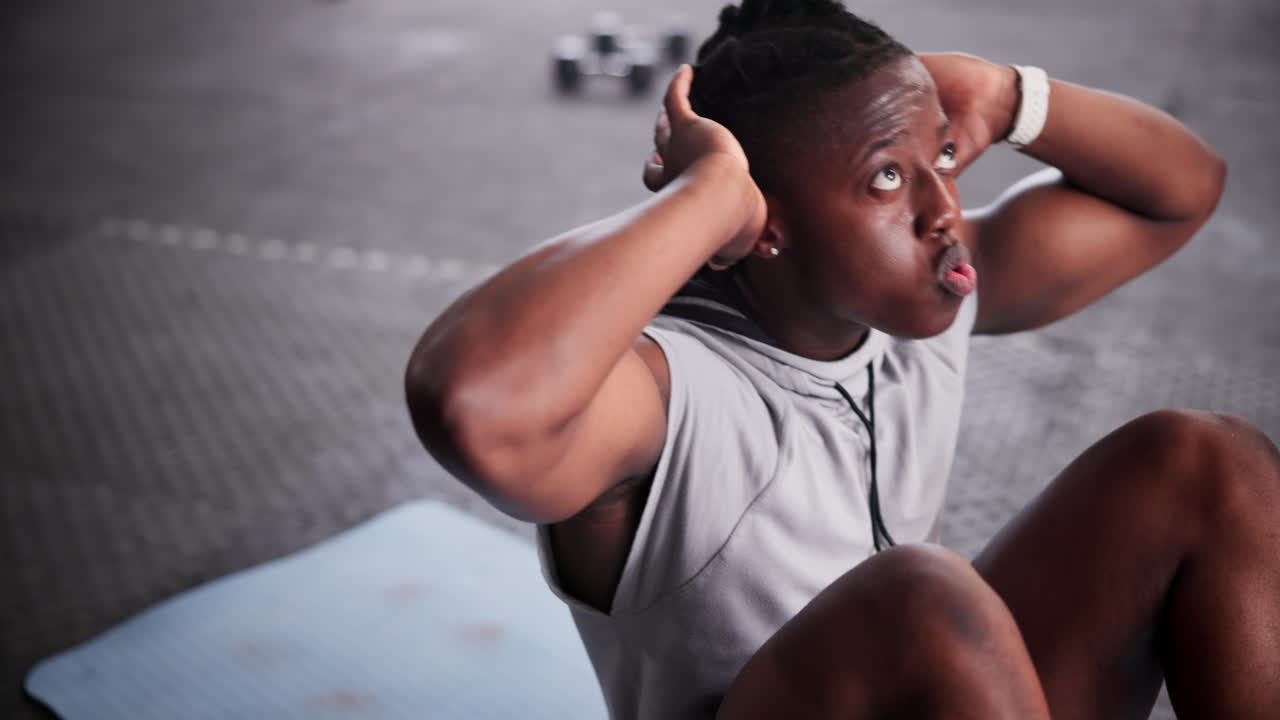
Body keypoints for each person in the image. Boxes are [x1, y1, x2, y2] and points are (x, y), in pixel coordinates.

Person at [405, 1, 1280, 717]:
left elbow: (1181, 194)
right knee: (921, 600)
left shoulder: (914, 295)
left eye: (940, 154)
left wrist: (1013, 98)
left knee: (1206, 460)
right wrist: (702, 195)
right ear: (764, 221)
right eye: (888, 180)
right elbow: (475, 407)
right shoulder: (665, 394)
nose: (946, 207)